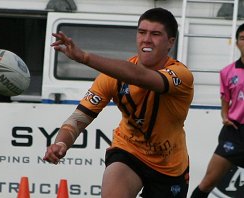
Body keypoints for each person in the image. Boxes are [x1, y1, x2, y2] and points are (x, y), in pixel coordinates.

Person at [44, 7, 194, 198]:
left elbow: (139, 77)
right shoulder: (111, 77)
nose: (147, 39)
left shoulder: (181, 75)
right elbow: (79, 117)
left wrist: (85, 57)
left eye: (155, 34)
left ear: (170, 42)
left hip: (170, 166)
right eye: (142, 32)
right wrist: (61, 143)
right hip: (129, 152)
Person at [190, 23, 244, 198]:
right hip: (234, 133)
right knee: (207, 183)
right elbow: (225, 99)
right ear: (237, 43)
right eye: (243, 38)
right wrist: (224, 116)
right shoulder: (227, 72)